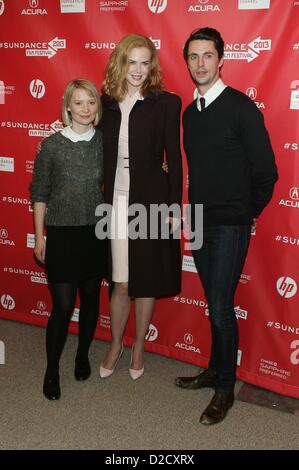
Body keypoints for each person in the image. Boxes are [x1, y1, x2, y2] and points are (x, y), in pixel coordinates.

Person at [175, 27, 278, 424]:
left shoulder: (241, 108)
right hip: (199, 222)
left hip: (229, 226)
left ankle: (224, 389)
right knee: (214, 305)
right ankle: (216, 370)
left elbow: (267, 173)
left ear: (221, 59)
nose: (200, 64)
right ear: (187, 62)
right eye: (193, 57)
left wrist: (244, 212)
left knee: (220, 307)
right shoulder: (189, 113)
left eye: (207, 56)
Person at [99, 33, 182, 380]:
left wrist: (175, 208)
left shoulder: (166, 102)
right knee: (120, 281)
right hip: (114, 201)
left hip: (149, 201)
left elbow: (174, 158)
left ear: (152, 66)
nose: (137, 69)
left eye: (144, 62)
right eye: (131, 61)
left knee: (145, 280)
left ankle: (139, 346)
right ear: (121, 62)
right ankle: (116, 344)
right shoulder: (106, 101)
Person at [30, 78, 106, 400]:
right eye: (78, 102)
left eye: (91, 102)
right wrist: (38, 236)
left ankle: (82, 355)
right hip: (61, 235)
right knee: (62, 306)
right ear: (67, 107)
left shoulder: (106, 142)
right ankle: (51, 371)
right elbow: (40, 193)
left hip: (94, 234)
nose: (85, 109)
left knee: (90, 299)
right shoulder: (50, 146)